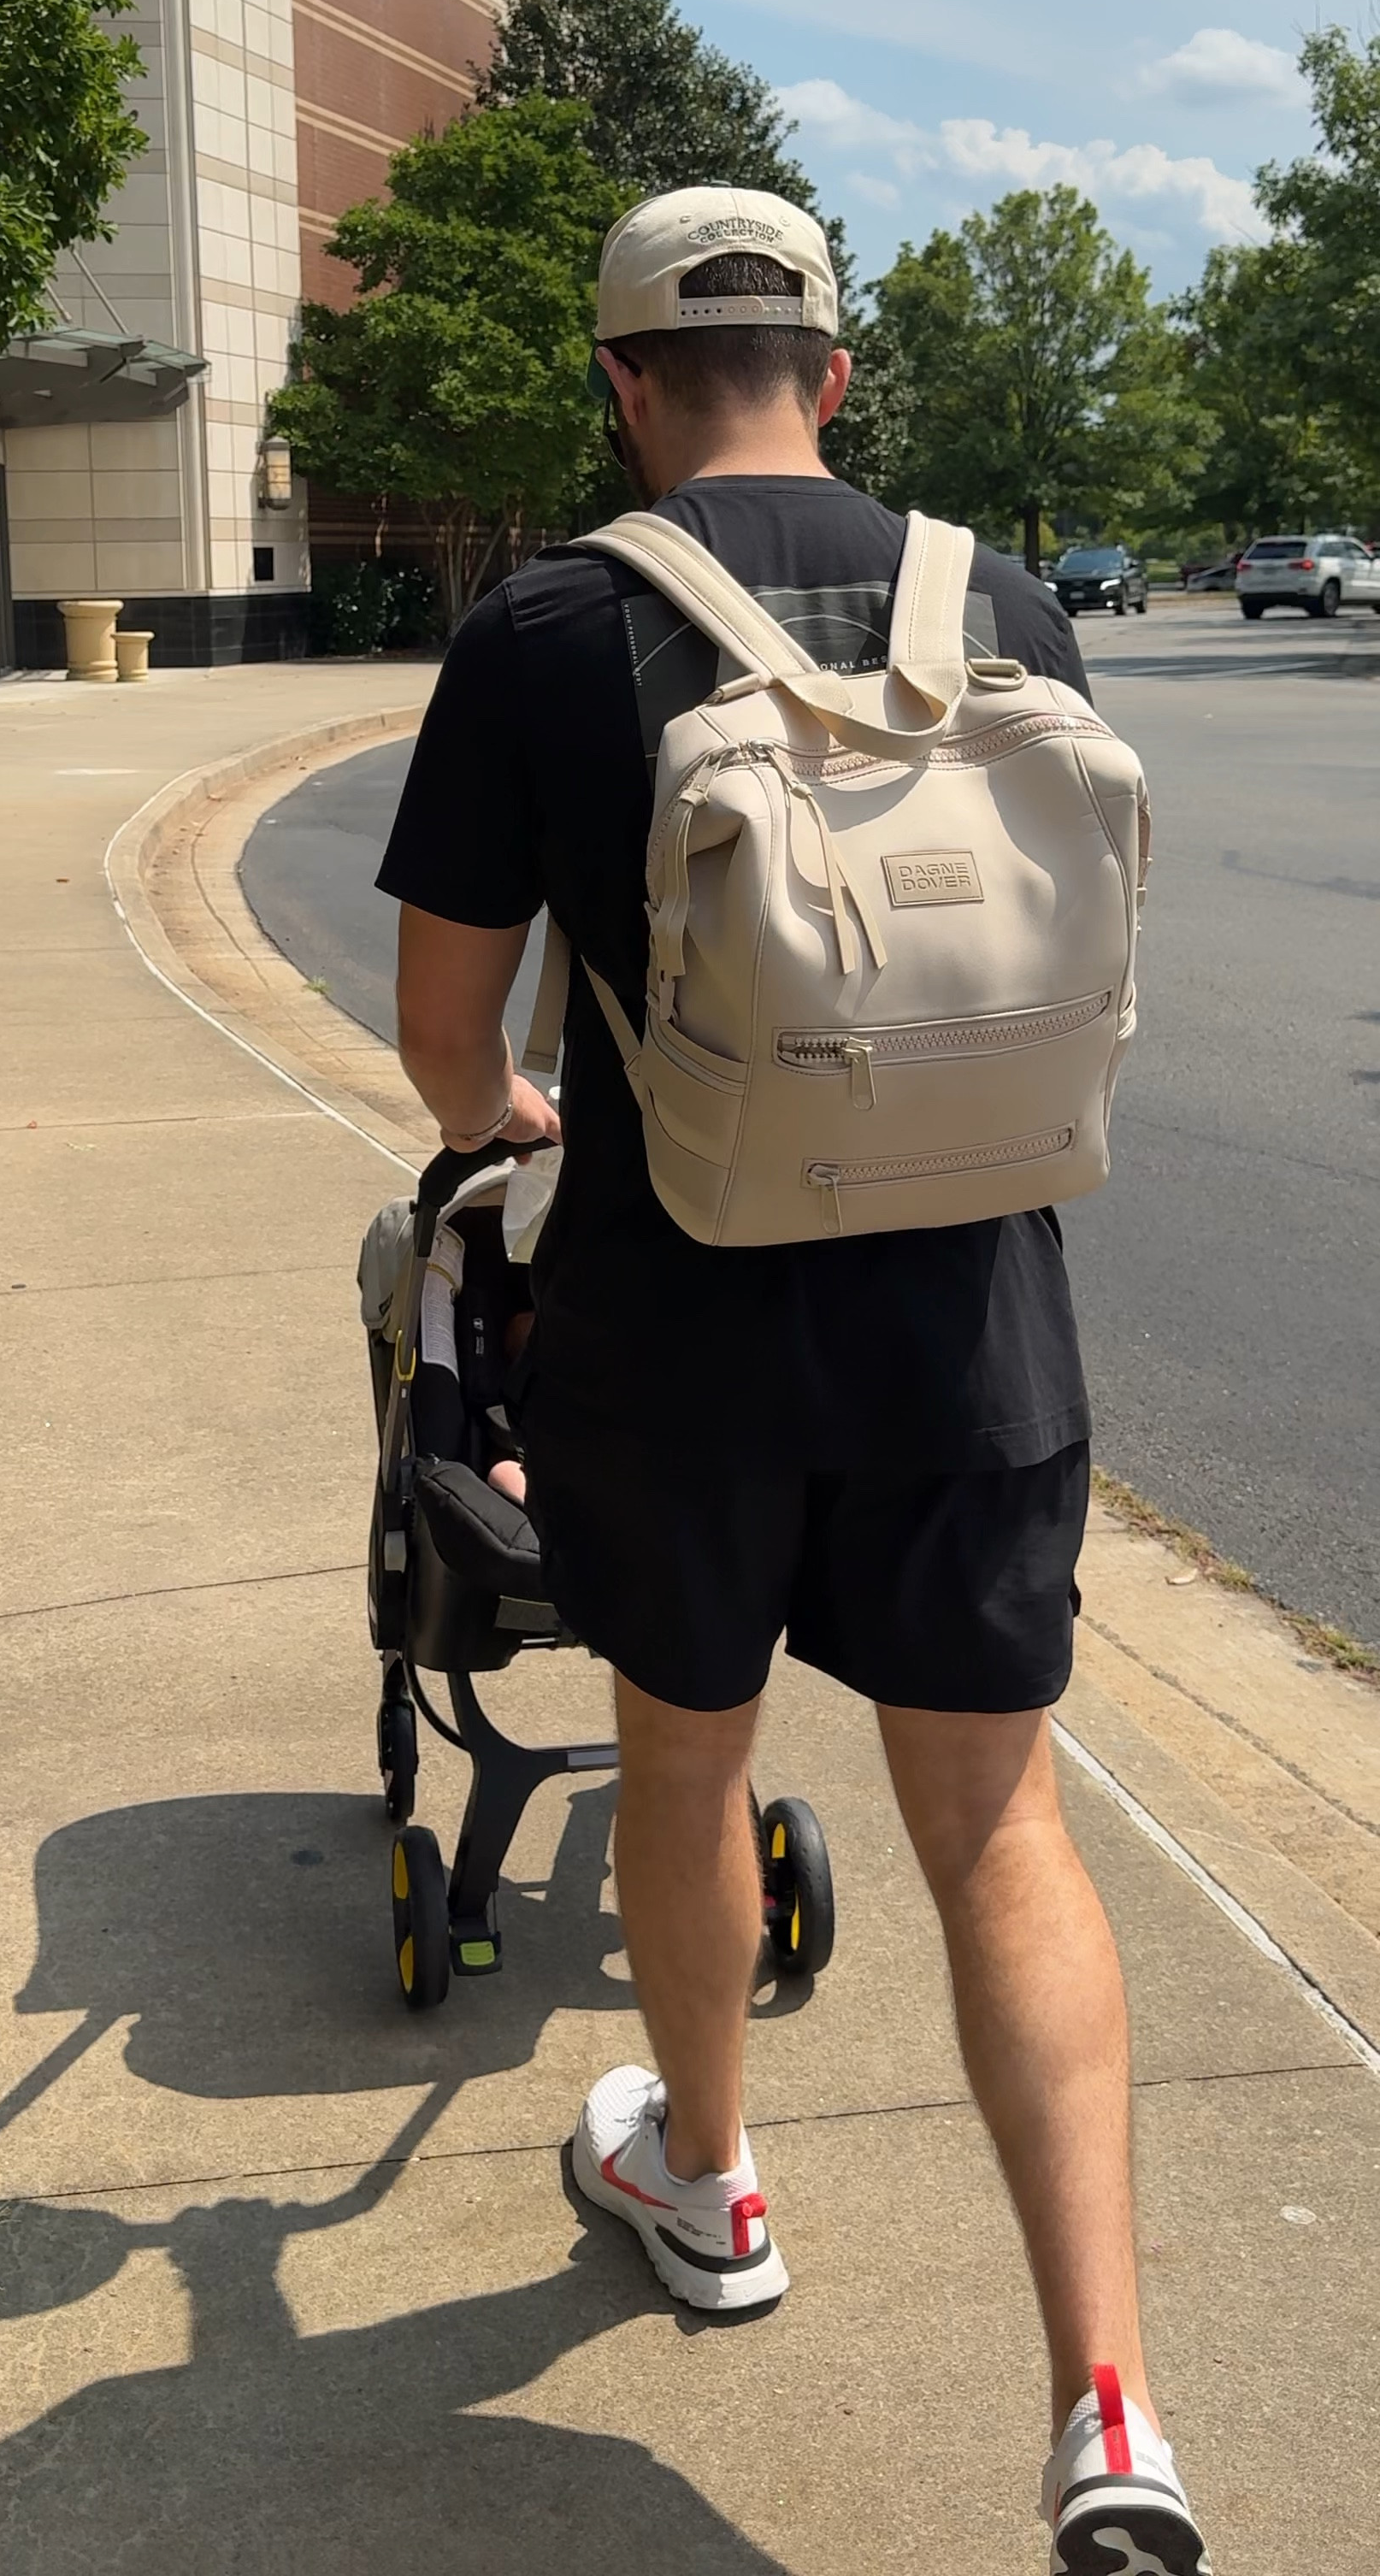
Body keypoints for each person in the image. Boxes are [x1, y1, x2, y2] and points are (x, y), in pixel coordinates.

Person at [375, 187, 1212, 2576]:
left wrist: (520, 1118)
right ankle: (1113, 2406)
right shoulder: (1004, 604)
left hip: (686, 1331)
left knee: (692, 1757)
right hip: (982, 1329)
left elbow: (452, 1048)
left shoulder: (547, 628)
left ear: (625, 385)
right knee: (999, 1831)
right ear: (832, 375)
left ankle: (710, 2183)